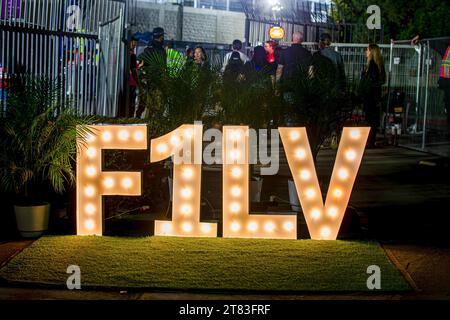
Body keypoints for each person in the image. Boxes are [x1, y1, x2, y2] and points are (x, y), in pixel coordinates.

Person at [135, 27, 166, 118]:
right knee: (150, 104)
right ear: (160, 37)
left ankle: (145, 120)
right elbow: (139, 62)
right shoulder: (152, 49)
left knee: (151, 103)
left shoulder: (151, 48)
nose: (163, 38)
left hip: (155, 81)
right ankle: (147, 123)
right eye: (162, 36)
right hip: (152, 81)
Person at [361, 44, 386, 148]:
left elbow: (369, 82)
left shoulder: (372, 66)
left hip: (370, 97)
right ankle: (371, 141)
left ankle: (370, 142)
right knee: (373, 120)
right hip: (375, 97)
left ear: (371, 52)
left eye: (367, 50)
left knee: (370, 119)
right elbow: (381, 81)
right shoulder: (378, 65)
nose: (366, 52)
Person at [128, 36, 139, 117]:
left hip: (128, 83)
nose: (135, 44)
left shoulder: (122, 52)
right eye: (134, 42)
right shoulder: (132, 55)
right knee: (131, 103)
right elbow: (134, 70)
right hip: (131, 83)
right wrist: (138, 82)